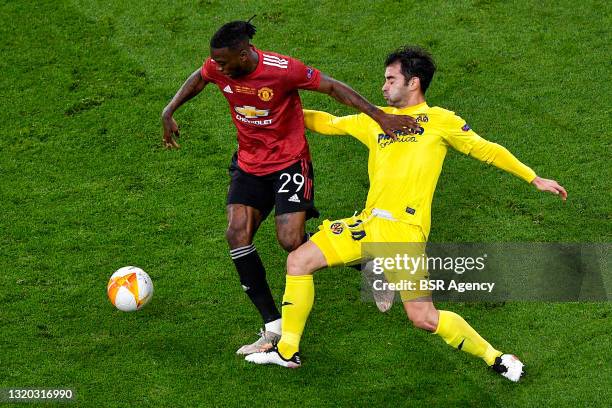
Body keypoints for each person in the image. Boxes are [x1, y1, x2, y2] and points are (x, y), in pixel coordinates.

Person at [245, 46, 567, 381]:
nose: (383, 86)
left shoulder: (441, 121)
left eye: (390, 79)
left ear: (413, 83)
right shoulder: (377, 119)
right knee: (298, 261)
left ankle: (496, 357)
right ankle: (288, 351)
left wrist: (533, 177)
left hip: (403, 232)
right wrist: (273, 112)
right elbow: (329, 122)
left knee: (423, 317)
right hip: (367, 224)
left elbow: (486, 149)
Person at [161, 20, 418, 355]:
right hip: (249, 165)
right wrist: (170, 109)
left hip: (288, 163)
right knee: (236, 234)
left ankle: (369, 265)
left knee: (291, 241)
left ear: (244, 53)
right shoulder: (219, 66)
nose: (217, 68)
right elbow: (199, 78)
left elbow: (332, 87)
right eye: (216, 63)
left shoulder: (282, 70)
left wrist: (378, 116)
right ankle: (273, 328)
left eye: (223, 63)